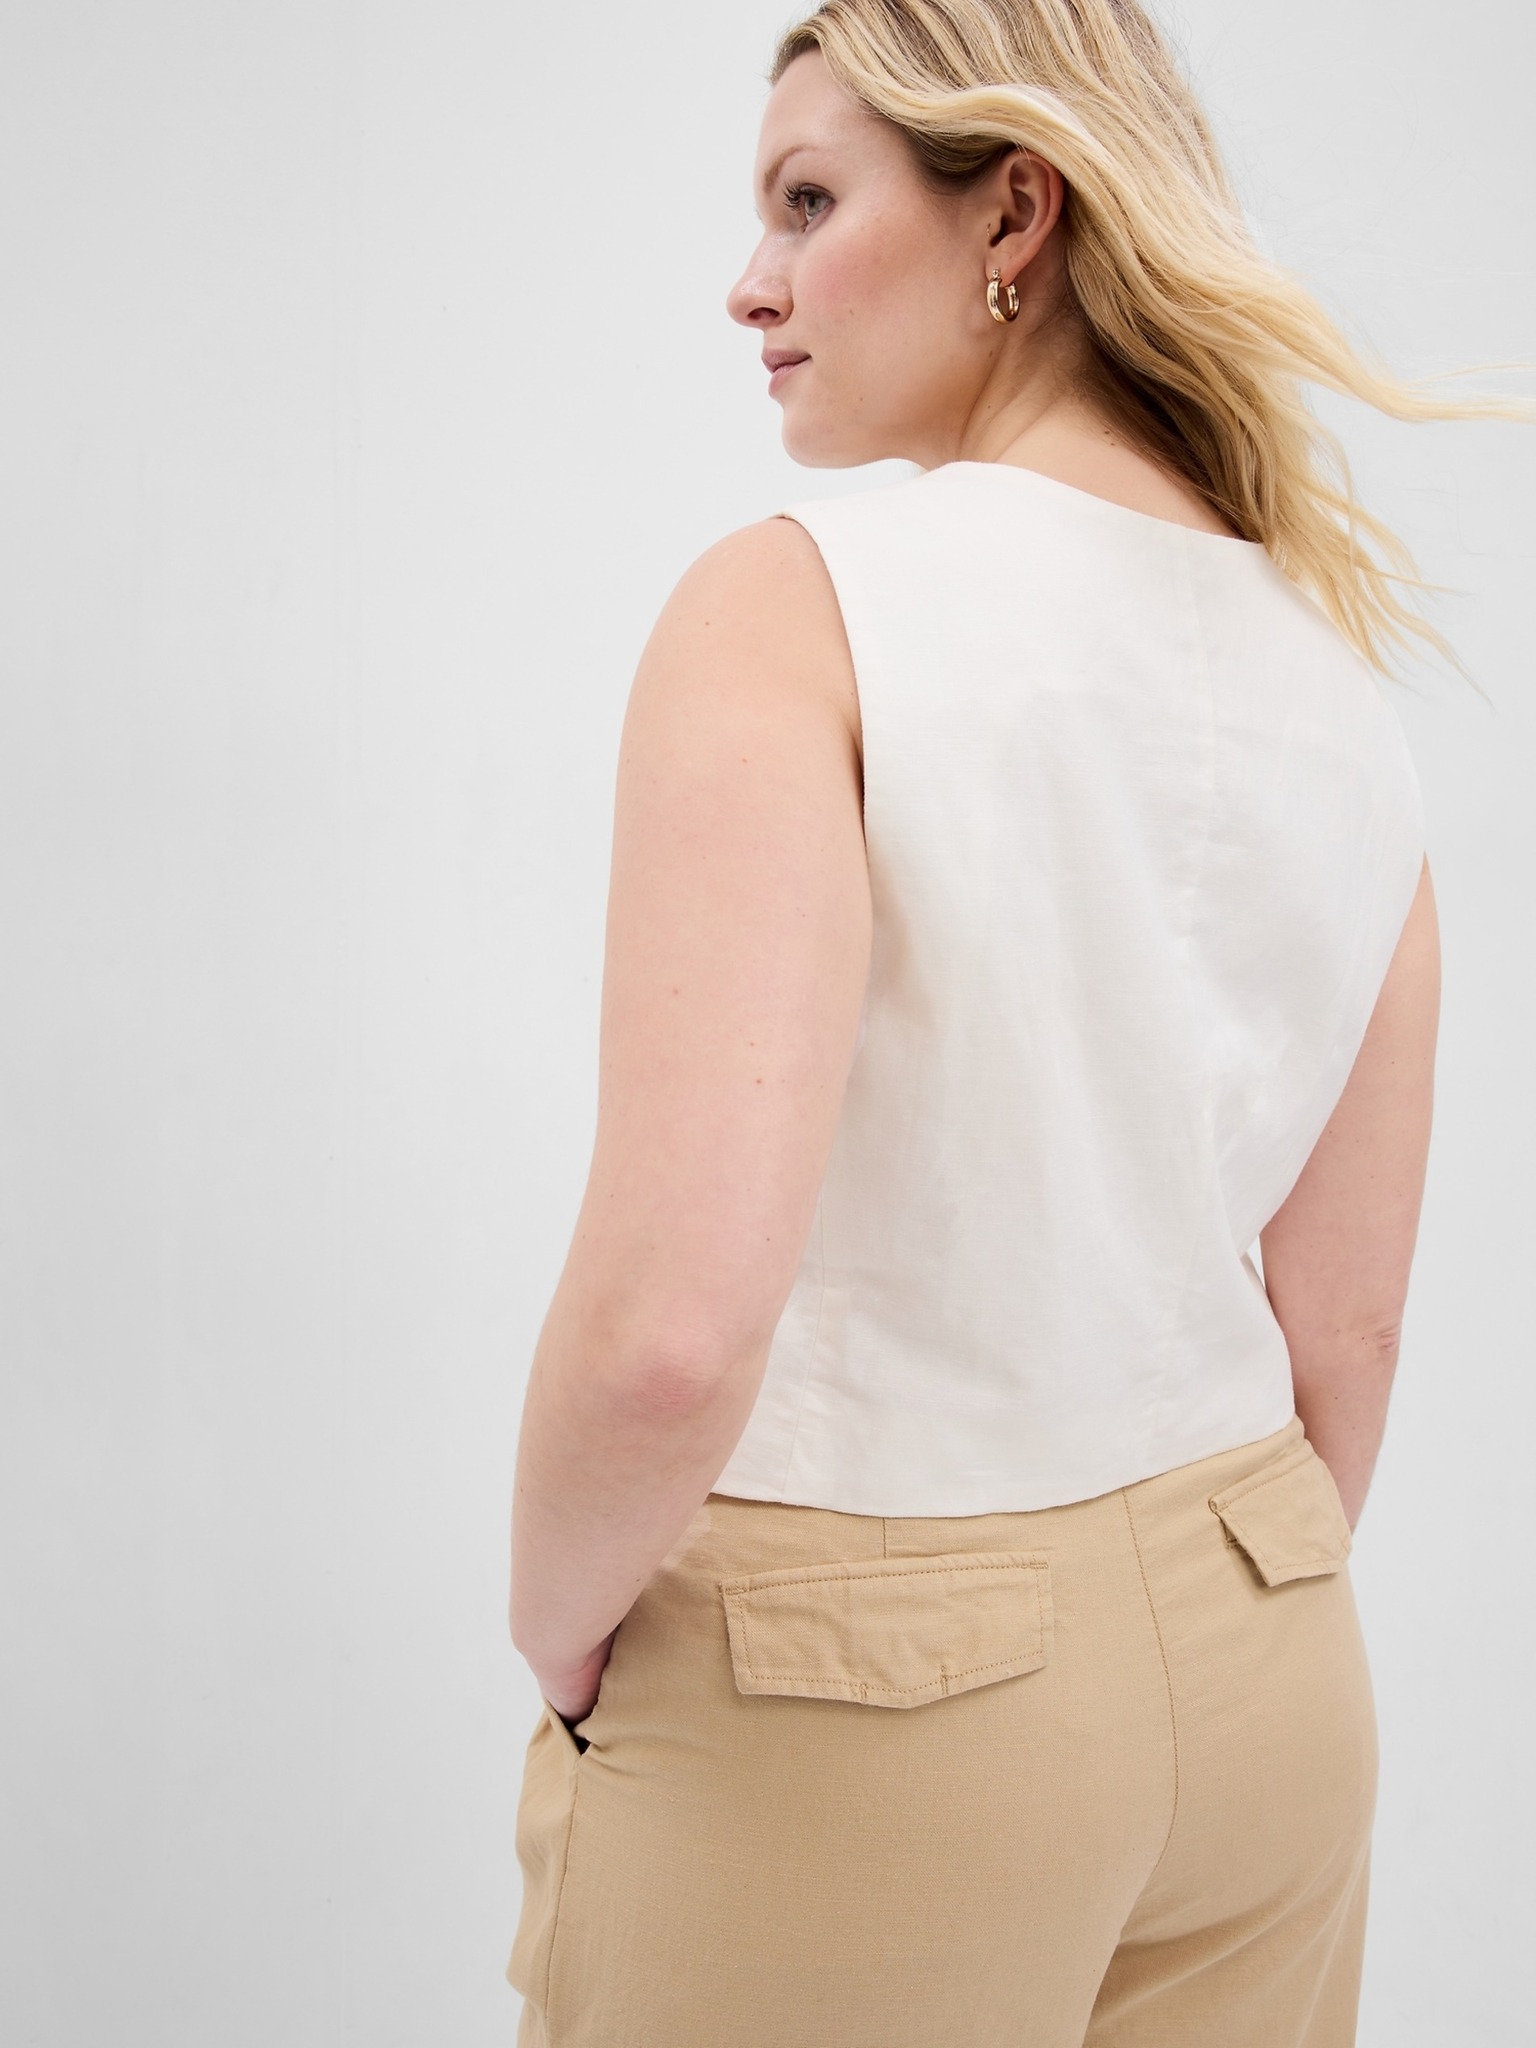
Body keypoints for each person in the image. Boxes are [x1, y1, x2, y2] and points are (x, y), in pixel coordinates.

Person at [504, 4, 1515, 2042]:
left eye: (809, 200)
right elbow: (1350, 1332)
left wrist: (559, 1632)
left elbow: (674, 1329)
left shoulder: (798, 604)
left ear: (1014, 215)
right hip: (1270, 1680)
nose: (751, 283)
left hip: (866, 1698)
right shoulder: (1334, 669)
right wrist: (1194, 1610)